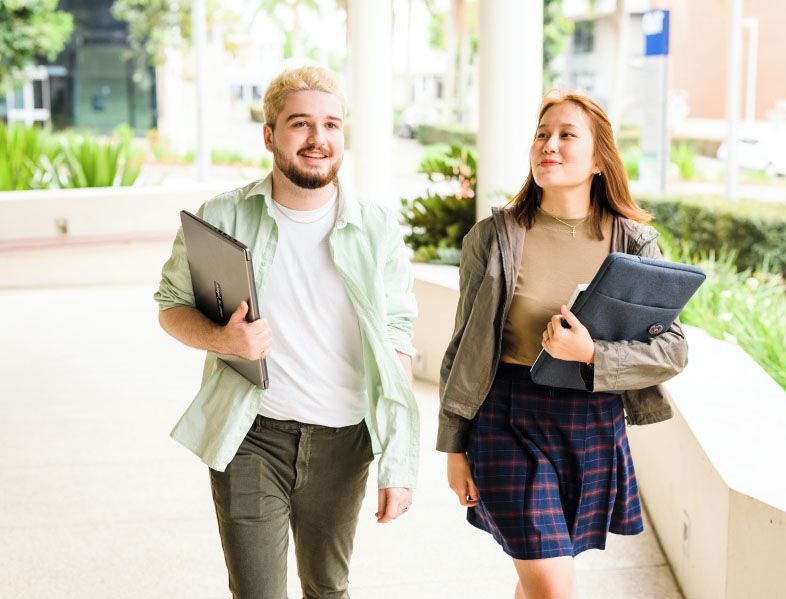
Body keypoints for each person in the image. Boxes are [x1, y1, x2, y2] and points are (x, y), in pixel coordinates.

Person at [154, 65, 419, 599]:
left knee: (327, 587)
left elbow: (397, 339)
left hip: (345, 440)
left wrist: (399, 460)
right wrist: (224, 340)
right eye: (300, 124)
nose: (318, 139)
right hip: (254, 434)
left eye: (331, 125)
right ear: (270, 136)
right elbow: (171, 306)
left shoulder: (377, 227)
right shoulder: (222, 216)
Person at [437, 92, 688, 599]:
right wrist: (454, 444)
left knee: (538, 577)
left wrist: (594, 354)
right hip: (506, 416)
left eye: (566, 135)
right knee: (553, 584)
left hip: (591, 422)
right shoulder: (494, 237)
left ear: (599, 159)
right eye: (542, 134)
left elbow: (673, 350)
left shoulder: (634, 243)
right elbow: (462, 345)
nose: (548, 145)